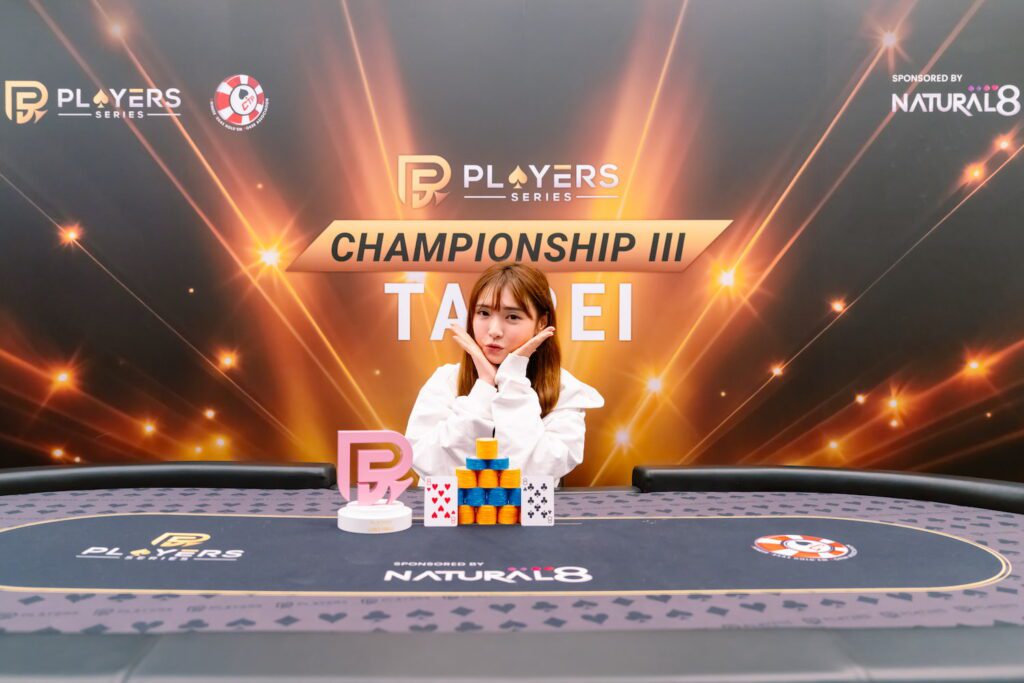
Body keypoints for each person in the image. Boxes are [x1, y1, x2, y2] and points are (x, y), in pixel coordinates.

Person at [405, 262, 604, 481]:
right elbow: (431, 467)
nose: (494, 331)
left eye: (512, 317)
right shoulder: (446, 381)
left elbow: (533, 476)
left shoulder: (564, 391)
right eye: (483, 313)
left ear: (541, 323)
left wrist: (513, 379)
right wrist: (484, 386)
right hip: (453, 506)